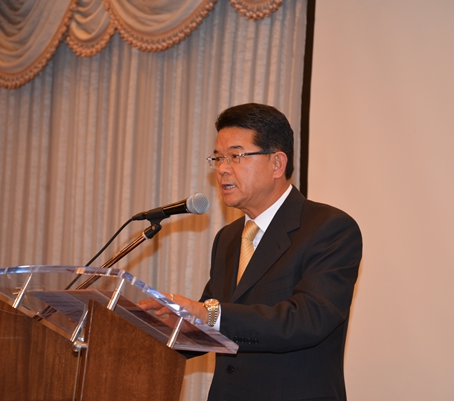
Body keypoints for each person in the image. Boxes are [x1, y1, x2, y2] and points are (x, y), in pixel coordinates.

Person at [144, 103, 362, 401]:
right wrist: (163, 326)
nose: (222, 168)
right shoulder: (228, 238)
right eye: (218, 158)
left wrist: (207, 313)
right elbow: (211, 328)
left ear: (277, 163)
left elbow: (308, 319)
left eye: (236, 156)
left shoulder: (328, 228)